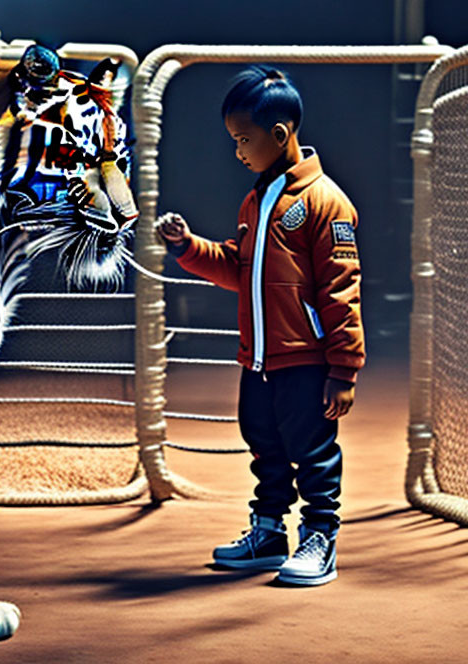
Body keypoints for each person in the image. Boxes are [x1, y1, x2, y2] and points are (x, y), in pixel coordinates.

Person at [155, 65, 365, 586]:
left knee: (312, 452)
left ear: (279, 135)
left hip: (306, 361)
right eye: (233, 140)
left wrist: (343, 369)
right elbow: (235, 266)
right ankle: (269, 531)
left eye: (243, 139)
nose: (238, 151)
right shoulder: (255, 198)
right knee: (264, 446)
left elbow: (342, 290)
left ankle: (320, 536)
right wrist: (187, 247)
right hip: (258, 360)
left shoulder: (325, 202)